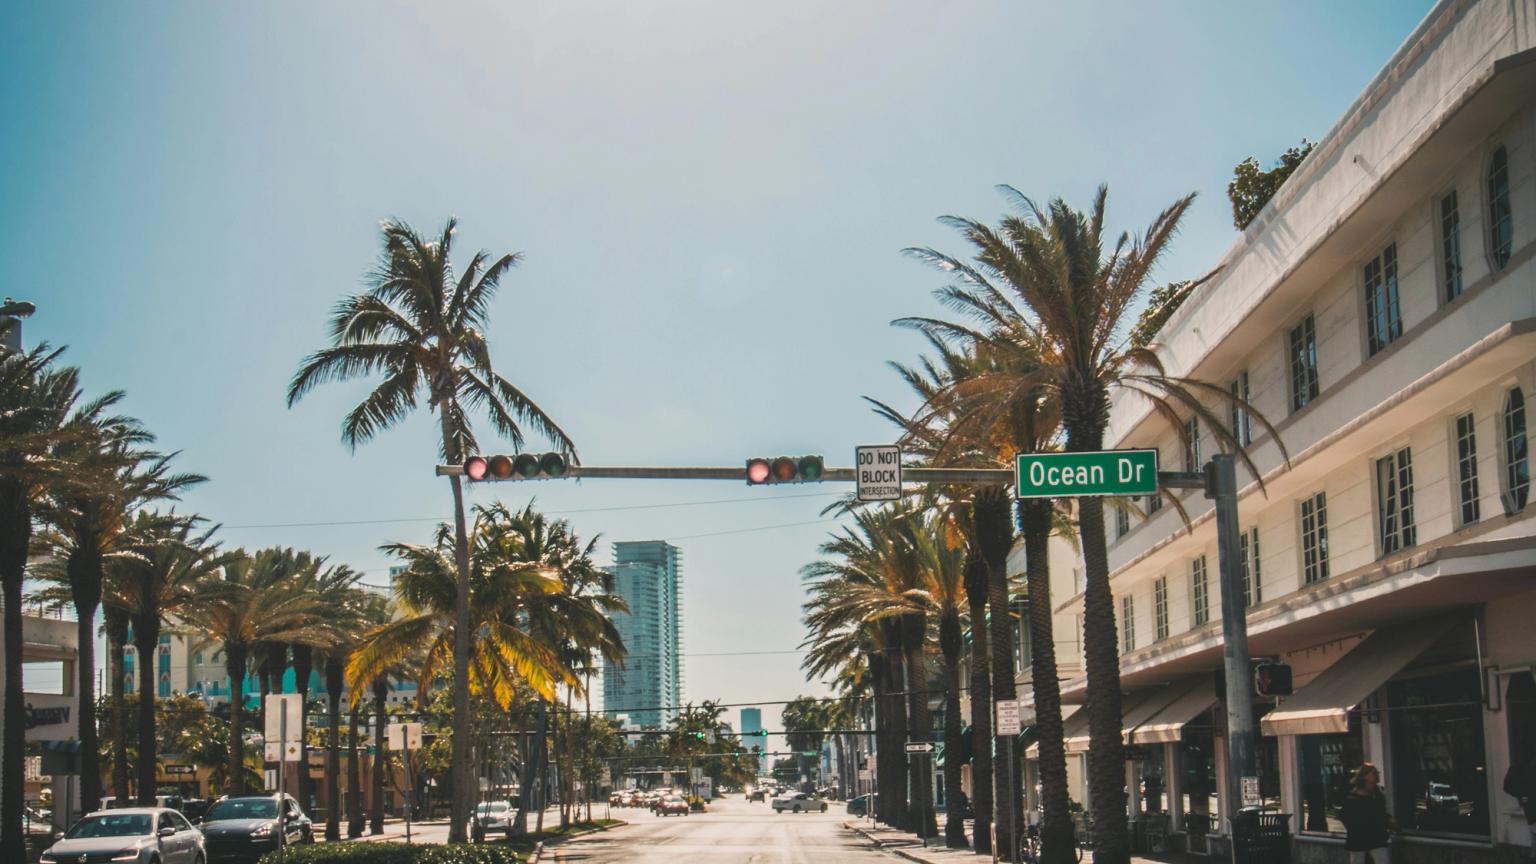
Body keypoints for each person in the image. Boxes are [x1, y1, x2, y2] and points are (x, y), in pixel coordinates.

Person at [1340, 763, 1393, 864]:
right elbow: (1344, 815)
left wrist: (1387, 821)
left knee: (1383, 860)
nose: (1377, 775)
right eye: (1374, 773)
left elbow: (1381, 813)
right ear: (1365, 776)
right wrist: (1354, 828)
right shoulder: (1353, 797)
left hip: (1377, 837)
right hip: (1359, 837)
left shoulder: (1378, 793)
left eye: (1377, 773)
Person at [1505, 751, 1536, 861]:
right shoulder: (1526, 766)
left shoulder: (1524, 764)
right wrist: (1523, 795)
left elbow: (1508, 786)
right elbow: (1508, 786)